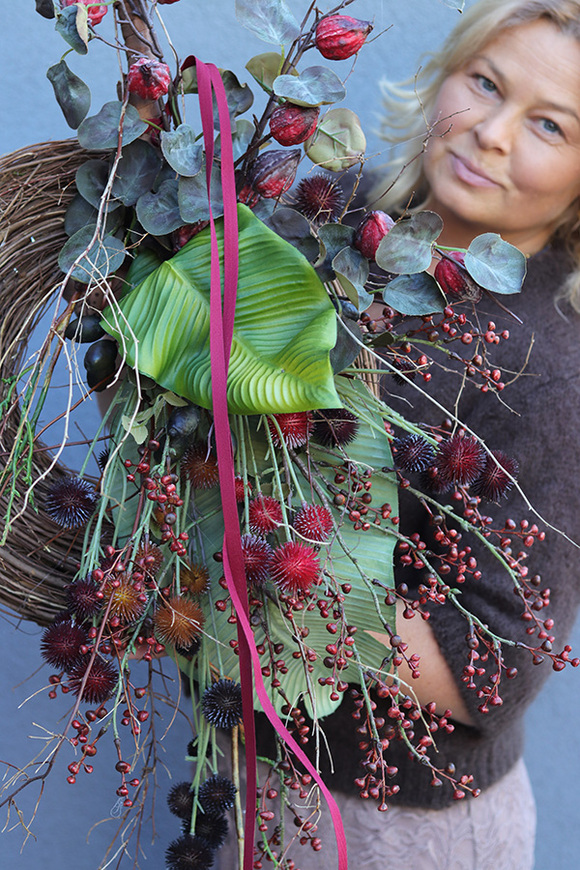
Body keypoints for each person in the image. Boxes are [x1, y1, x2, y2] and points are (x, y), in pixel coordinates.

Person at [229, 2, 580, 869]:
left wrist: (260, 572)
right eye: (485, 83)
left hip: (398, 823)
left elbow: (490, 669)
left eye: (548, 124)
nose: (492, 133)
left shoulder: (545, 374)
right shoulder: (329, 217)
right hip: (259, 762)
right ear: (444, 76)